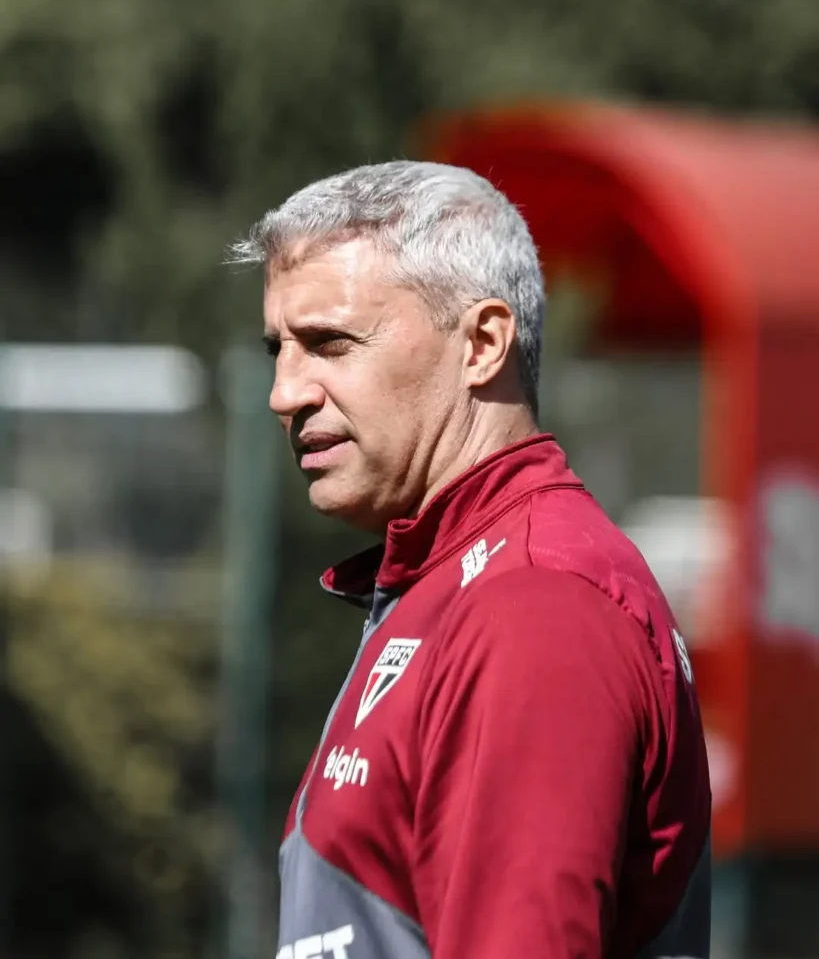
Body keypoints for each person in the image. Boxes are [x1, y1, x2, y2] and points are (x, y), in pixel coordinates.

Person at [231, 161, 711, 959]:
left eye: (329, 344)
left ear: (482, 344)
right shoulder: (456, 581)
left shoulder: (535, 605)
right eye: (278, 349)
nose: (285, 393)